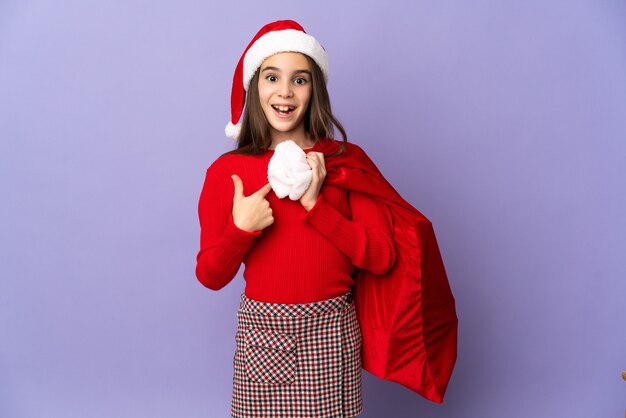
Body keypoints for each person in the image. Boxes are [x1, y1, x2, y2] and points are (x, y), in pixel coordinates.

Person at [195, 19, 398, 417]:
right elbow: (210, 275)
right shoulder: (227, 173)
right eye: (272, 77)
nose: (284, 91)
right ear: (256, 88)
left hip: (331, 334)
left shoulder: (346, 163)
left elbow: (382, 257)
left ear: (315, 90)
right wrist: (241, 230)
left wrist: (317, 208)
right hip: (263, 337)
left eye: (299, 80)